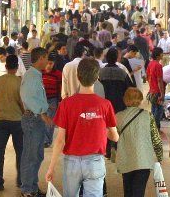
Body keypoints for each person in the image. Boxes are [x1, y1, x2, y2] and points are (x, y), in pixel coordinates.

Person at [46, 58, 119, 197]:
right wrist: (102, 130)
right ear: (97, 78)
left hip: (71, 163)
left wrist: (51, 168)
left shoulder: (66, 104)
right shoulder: (105, 104)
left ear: (78, 77)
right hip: (95, 162)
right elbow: (115, 137)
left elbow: (60, 140)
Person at [115, 87, 164, 197]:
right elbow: (156, 139)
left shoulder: (118, 116)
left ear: (125, 99)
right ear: (140, 99)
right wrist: (159, 157)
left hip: (126, 159)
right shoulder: (148, 115)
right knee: (139, 192)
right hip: (143, 160)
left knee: (128, 191)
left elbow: (114, 138)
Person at [20, 47, 54, 197]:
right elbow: (27, 97)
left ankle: (32, 187)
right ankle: (27, 190)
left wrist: (44, 110)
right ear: (40, 58)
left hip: (36, 118)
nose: (47, 62)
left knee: (37, 155)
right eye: (46, 58)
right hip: (33, 119)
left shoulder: (35, 75)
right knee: (31, 155)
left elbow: (34, 96)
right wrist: (41, 112)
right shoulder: (31, 76)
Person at [0, 54, 24, 192]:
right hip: (17, 121)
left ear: (5, 66)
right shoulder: (19, 82)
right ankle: (20, 181)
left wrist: (0, 105)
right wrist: (23, 112)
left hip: (1, 121)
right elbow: (22, 102)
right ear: (17, 67)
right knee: (20, 151)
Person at [100, 47, 133, 114]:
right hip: (120, 106)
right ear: (116, 58)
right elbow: (130, 88)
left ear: (106, 58)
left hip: (104, 106)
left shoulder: (100, 73)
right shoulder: (122, 72)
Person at [43, 57, 63, 147]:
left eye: (51, 63)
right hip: (42, 99)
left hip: (53, 99)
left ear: (54, 64)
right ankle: (44, 139)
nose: (48, 65)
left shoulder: (58, 74)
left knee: (50, 119)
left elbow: (60, 88)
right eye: (47, 63)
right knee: (43, 119)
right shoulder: (40, 72)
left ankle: (47, 140)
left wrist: (59, 100)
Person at [146, 47, 166, 129]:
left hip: (151, 90)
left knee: (154, 108)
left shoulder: (150, 64)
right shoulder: (158, 65)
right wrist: (162, 93)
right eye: (161, 53)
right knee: (159, 110)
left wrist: (151, 86)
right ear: (158, 55)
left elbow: (147, 77)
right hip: (157, 91)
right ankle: (155, 127)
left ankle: (152, 126)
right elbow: (159, 80)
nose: (162, 54)